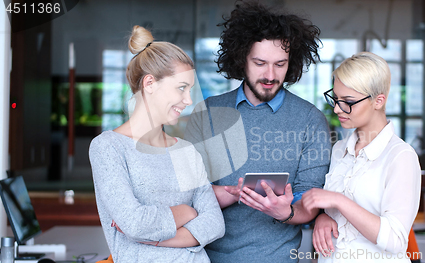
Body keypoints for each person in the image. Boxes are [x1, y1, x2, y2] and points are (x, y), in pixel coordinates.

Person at [184, 1, 331, 262]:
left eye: (280, 64)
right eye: (260, 62)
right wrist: (229, 194)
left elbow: (309, 202)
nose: (270, 74)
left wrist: (284, 211)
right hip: (205, 258)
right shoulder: (207, 112)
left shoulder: (310, 120)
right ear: (242, 59)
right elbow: (184, 195)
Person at [89, 25, 224, 263]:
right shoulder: (108, 147)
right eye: (181, 88)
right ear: (149, 84)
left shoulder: (185, 150)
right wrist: (187, 212)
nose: (188, 100)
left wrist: (159, 238)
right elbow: (135, 224)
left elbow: (214, 223)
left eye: (190, 90)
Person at [301, 52, 421, 262]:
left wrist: (339, 201)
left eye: (348, 101)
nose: (338, 108)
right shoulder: (339, 149)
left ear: (378, 101)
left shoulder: (401, 156)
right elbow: (335, 215)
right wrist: (322, 216)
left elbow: (396, 239)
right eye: (335, 99)